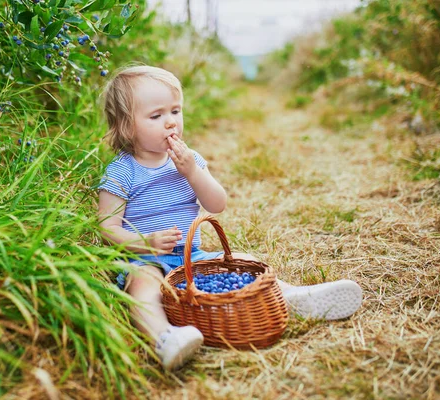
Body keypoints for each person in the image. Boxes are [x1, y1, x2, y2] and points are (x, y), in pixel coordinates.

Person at [97, 65, 363, 371]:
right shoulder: (122, 172)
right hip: (143, 260)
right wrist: (146, 243)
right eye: (156, 116)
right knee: (143, 287)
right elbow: (107, 227)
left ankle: (291, 297)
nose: (171, 122)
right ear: (126, 128)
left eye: (175, 111)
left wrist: (192, 173)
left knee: (241, 259)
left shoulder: (189, 161)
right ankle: (164, 338)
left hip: (190, 257)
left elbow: (217, 203)